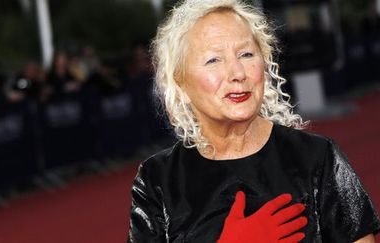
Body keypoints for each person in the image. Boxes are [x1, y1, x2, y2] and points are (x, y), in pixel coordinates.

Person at [127, 0, 380, 242]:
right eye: (213, 59)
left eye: (247, 54)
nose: (238, 73)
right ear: (180, 82)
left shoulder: (318, 158)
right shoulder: (157, 180)